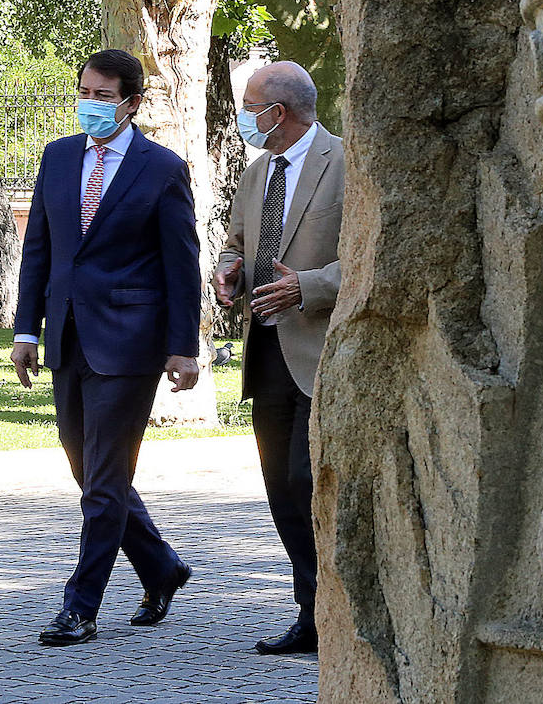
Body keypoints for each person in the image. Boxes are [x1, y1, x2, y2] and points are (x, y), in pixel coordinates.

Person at [10, 49, 200, 647]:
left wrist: (183, 347)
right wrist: (25, 330)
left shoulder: (161, 168)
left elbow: (182, 264)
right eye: (84, 93)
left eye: (103, 96)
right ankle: (162, 567)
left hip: (129, 344)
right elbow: (38, 248)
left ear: (132, 103)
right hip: (65, 334)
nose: (90, 104)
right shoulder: (58, 157)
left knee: (104, 478)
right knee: (89, 470)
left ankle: (81, 606)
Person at [213, 62, 343, 655]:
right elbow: (237, 243)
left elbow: (374, 255)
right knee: (277, 486)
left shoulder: (347, 162)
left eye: (249, 104)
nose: (243, 115)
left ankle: (336, 611)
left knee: (304, 479)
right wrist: (228, 269)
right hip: (264, 349)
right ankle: (310, 613)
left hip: (321, 352)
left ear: (279, 112)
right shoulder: (258, 170)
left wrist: (308, 286)